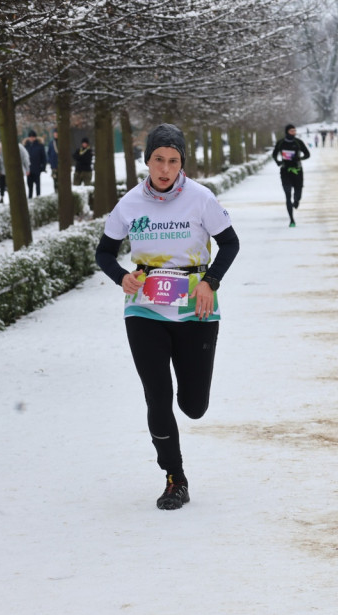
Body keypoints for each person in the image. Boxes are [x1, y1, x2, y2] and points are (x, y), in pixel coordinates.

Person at [95, 123, 240, 510]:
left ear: (181, 164)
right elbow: (104, 253)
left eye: (173, 161)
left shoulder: (201, 199)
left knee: (193, 405)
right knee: (157, 396)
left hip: (197, 309)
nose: (165, 168)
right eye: (158, 159)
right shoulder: (128, 205)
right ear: (147, 161)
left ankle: (187, 406)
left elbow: (229, 243)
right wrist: (121, 277)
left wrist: (211, 282)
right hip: (145, 308)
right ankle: (174, 477)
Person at [271, 123, 311, 228]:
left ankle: (296, 201)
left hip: (297, 171)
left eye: (295, 131)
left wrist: (299, 158)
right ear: (287, 132)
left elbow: (307, 154)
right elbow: (274, 154)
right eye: (292, 131)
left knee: (298, 194)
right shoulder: (281, 143)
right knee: (288, 196)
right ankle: (292, 220)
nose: (294, 132)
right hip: (285, 171)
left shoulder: (298, 142)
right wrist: (278, 162)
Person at [24, 130, 47, 198]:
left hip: (37, 168)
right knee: (29, 185)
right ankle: (30, 197)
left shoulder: (40, 146)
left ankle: (38, 196)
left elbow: (43, 157)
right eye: (30, 137)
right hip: (28, 169)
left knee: (37, 184)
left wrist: (43, 167)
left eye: (33, 137)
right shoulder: (25, 146)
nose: (31, 138)